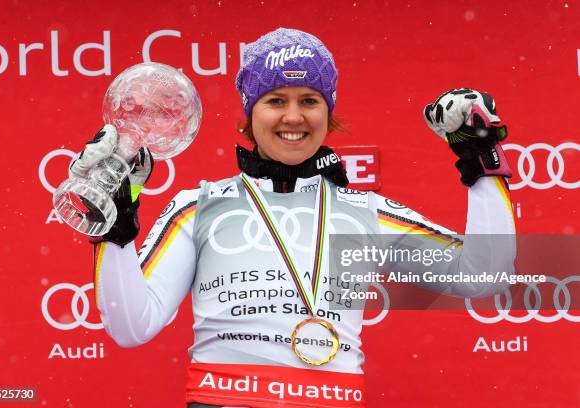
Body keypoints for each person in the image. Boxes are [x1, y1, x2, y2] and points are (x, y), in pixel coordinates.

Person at [71, 28, 515, 408]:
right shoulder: (200, 206)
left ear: (329, 112)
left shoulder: (364, 213)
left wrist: (480, 157)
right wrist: (116, 232)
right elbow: (131, 327)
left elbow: (486, 275)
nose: (293, 116)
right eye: (275, 100)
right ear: (250, 112)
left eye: (310, 100)